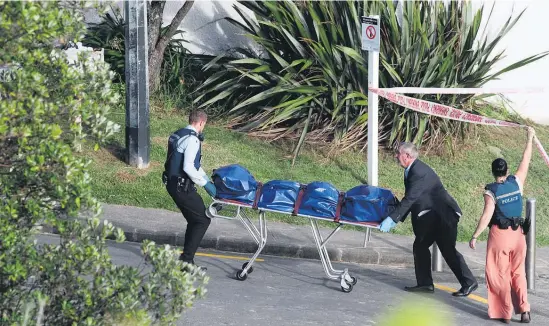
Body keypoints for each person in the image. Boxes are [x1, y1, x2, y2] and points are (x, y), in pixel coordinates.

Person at [379, 142, 478, 296]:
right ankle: (428, 284)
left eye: (398, 153)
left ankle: (467, 282)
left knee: (444, 249)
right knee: (422, 246)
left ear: (407, 156)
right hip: (435, 215)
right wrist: (396, 216)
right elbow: (415, 198)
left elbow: (410, 198)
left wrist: (393, 219)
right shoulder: (413, 169)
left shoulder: (418, 171)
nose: (396, 156)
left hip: (443, 216)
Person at [469, 127, 535, 324]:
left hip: (500, 236)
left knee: (499, 274)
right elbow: (526, 161)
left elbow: (487, 214)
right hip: (519, 235)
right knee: (518, 273)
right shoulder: (517, 182)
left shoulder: (492, 191)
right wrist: (529, 138)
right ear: (506, 171)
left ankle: (504, 313)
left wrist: (475, 235)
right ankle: (524, 310)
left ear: (493, 172)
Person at [163, 110, 217, 270]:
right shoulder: (193, 140)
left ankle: (186, 261)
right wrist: (206, 185)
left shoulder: (178, 134)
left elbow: (194, 166)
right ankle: (186, 262)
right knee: (202, 220)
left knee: (195, 220)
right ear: (201, 123)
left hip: (173, 184)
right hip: (181, 187)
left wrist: (207, 180)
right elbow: (188, 167)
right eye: (204, 125)